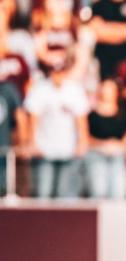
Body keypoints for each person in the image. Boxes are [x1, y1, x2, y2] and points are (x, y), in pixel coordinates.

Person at [23, 56, 89, 199]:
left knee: (65, 194)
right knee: (43, 192)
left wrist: (82, 141)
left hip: (68, 149)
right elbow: (33, 118)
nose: (58, 75)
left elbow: (81, 119)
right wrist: (32, 142)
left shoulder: (75, 90)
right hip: (44, 149)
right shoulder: (40, 89)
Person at [86, 79, 126, 199]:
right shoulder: (92, 115)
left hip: (117, 155)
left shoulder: (123, 114)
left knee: (119, 191)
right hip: (97, 154)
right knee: (98, 190)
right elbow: (86, 138)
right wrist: (104, 145)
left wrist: (119, 145)